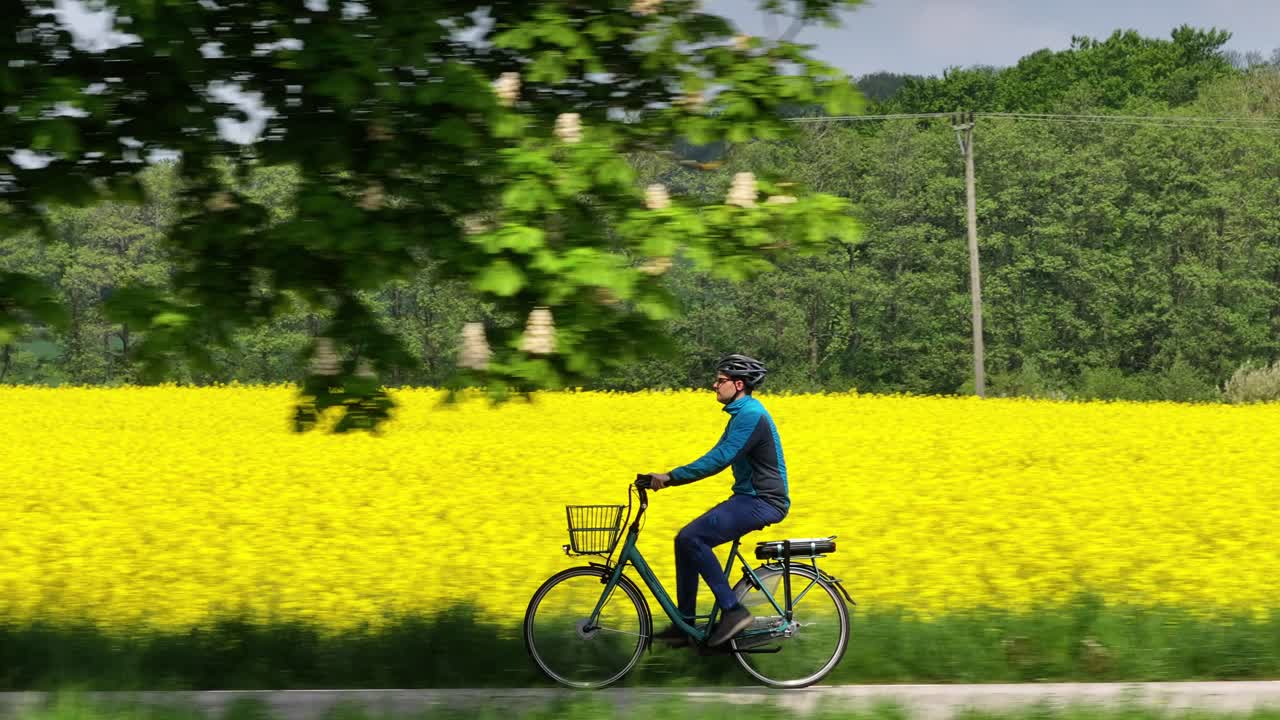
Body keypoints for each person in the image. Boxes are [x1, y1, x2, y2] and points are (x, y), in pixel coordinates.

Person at [645, 354, 789, 647]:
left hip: (763, 501)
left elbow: (719, 460)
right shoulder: (742, 414)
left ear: (739, 384)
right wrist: (669, 477)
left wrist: (671, 477)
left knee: (692, 538)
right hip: (749, 498)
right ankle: (684, 624)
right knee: (684, 540)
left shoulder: (751, 415)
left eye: (720, 380)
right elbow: (717, 453)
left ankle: (733, 612)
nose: (714, 385)